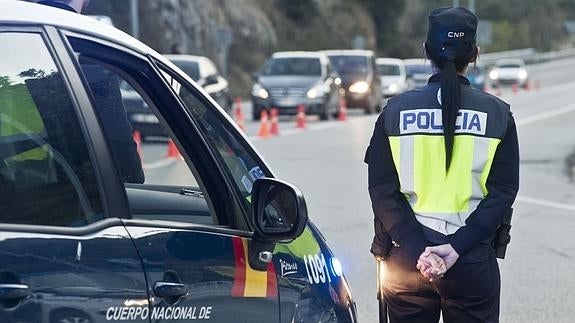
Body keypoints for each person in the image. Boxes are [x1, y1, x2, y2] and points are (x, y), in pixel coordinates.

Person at [366, 7, 519, 322]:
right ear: (475, 54)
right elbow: (503, 191)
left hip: (407, 260)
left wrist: (419, 248)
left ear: (426, 52)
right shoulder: (498, 114)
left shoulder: (394, 112)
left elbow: (382, 191)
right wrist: (457, 247)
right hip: (471, 258)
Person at [34, 0, 145, 183]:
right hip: (64, 196)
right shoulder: (83, 48)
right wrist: (133, 180)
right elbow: (117, 143)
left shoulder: (14, 28)